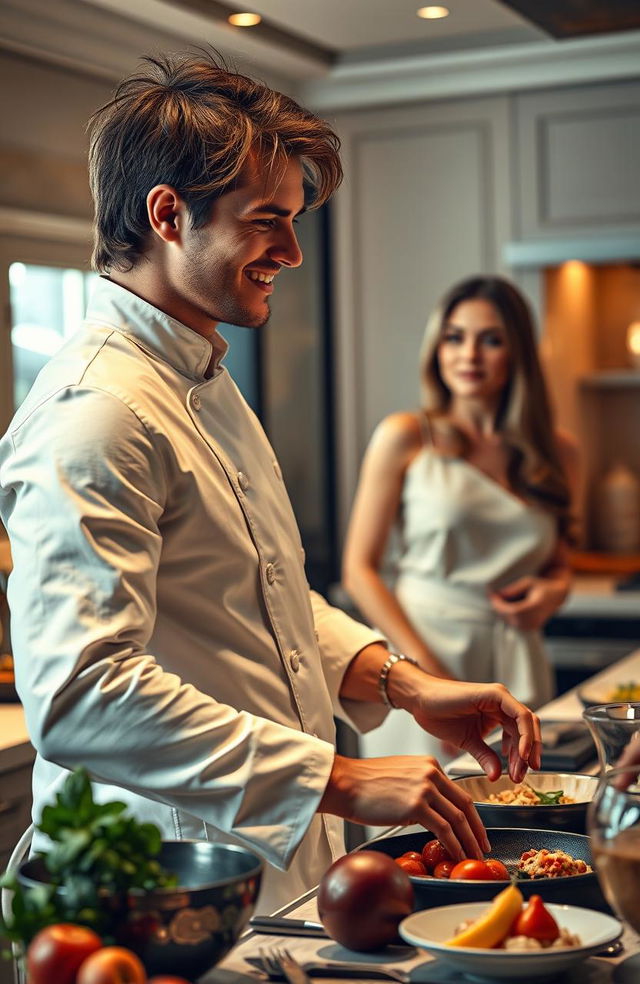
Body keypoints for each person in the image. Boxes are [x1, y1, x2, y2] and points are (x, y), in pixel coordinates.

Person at [0, 56, 541, 914]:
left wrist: (400, 682)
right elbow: (80, 694)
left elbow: (260, 595)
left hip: (255, 864)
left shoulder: (201, 378)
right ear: (168, 215)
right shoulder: (95, 411)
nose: (290, 251)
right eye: (268, 222)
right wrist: (341, 776)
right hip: (158, 890)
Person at [343, 275, 578, 762]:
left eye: (490, 339)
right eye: (455, 337)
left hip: (518, 658)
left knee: (514, 817)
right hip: (422, 652)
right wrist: (424, 675)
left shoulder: (559, 452)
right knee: (414, 826)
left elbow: (558, 559)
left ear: (517, 354)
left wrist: (553, 591)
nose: (468, 354)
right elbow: (359, 571)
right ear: (437, 347)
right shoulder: (406, 436)